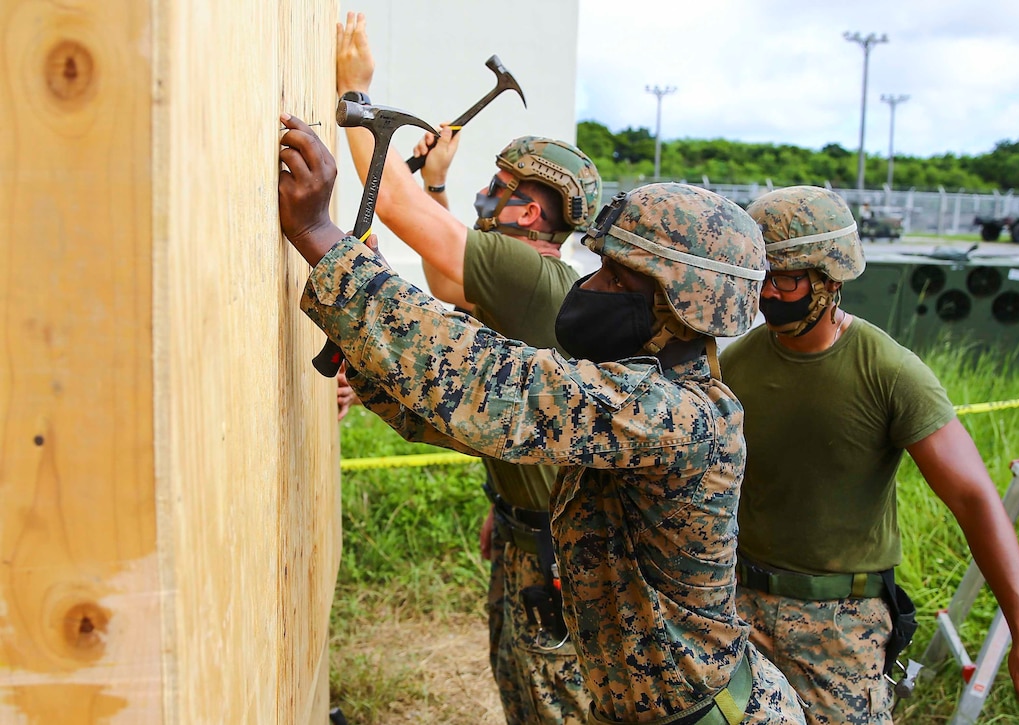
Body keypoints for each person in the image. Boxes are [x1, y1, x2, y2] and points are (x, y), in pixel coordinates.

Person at [278, 112, 805, 724]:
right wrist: (370, 358)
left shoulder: (674, 415)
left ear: (675, 301)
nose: (593, 286)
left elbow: (492, 385)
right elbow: (464, 420)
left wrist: (319, 233)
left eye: (616, 276)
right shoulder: (644, 390)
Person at [334, 13, 603, 723]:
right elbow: (452, 281)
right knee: (523, 695)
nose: (491, 193)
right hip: (528, 535)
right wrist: (443, 190)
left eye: (502, 186)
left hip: (554, 554)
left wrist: (357, 95)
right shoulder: (531, 277)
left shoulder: (533, 276)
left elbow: (390, 202)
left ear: (531, 211)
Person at [717, 185, 1019, 725]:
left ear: (830, 279)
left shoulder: (890, 373)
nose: (767, 292)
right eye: (757, 275)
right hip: (738, 608)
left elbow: (974, 498)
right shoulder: (735, 363)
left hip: (840, 630)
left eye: (783, 279)